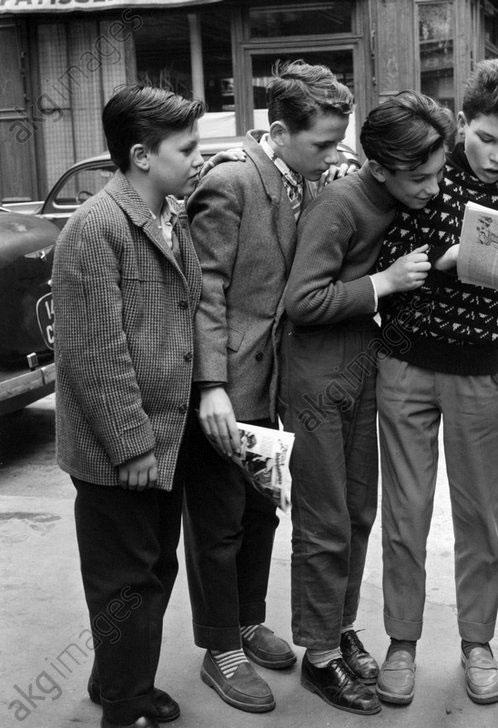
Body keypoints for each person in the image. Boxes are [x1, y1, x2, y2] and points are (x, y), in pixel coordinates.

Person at [373, 58, 498, 707]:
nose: (496, 155)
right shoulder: (424, 173)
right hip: (403, 361)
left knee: (477, 517)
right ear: (463, 121)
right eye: (486, 138)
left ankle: (476, 643)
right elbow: (377, 259)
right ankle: (401, 643)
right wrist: (444, 264)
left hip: (475, 371)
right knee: (404, 515)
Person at [182, 60, 354, 714]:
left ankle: (248, 621)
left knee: (259, 512)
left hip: (274, 388)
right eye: (320, 144)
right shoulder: (231, 182)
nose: (331, 154)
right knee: (219, 522)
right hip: (229, 388)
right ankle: (219, 649)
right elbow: (203, 293)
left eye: (339, 141)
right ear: (278, 131)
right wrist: (210, 387)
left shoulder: (302, 178)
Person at [279, 90, 455, 716]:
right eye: (421, 177)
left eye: (438, 172)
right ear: (379, 168)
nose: (433, 188)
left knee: (357, 513)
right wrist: (381, 284)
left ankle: (337, 626)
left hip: (362, 369)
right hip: (317, 378)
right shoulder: (339, 204)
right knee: (325, 523)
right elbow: (302, 302)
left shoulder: (394, 191)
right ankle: (318, 657)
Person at [52, 85, 205, 728]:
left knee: (150, 571)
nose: (200, 159)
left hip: (162, 441)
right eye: (187, 149)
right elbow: (91, 356)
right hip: (122, 453)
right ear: (142, 155)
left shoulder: (170, 213)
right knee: (125, 584)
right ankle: (124, 704)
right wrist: (134, 446)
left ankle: (119, 678)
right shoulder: (96, 229)